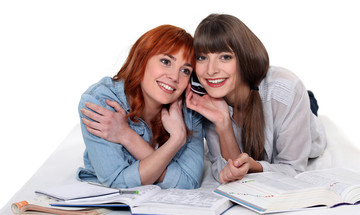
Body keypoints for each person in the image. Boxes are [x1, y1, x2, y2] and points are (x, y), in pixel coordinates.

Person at [185, 14, 327, 183]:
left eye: (225, 57)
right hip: (252, 96)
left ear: (245, 56)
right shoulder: (207, 99)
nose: (211, 70)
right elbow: (228, 172)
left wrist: (256, 167)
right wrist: (223, 123)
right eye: (202, 58)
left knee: (303, 101)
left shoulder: (287, 90)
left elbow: (293, 169)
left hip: (282, 100)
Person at [77, 25, 204, 189]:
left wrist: (127, 135)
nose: (174, 77)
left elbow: (189, 182)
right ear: (141, 58)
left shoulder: (190, 109)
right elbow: (116, 181)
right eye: (166, 62)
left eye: (185, 71)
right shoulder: (100, 100)